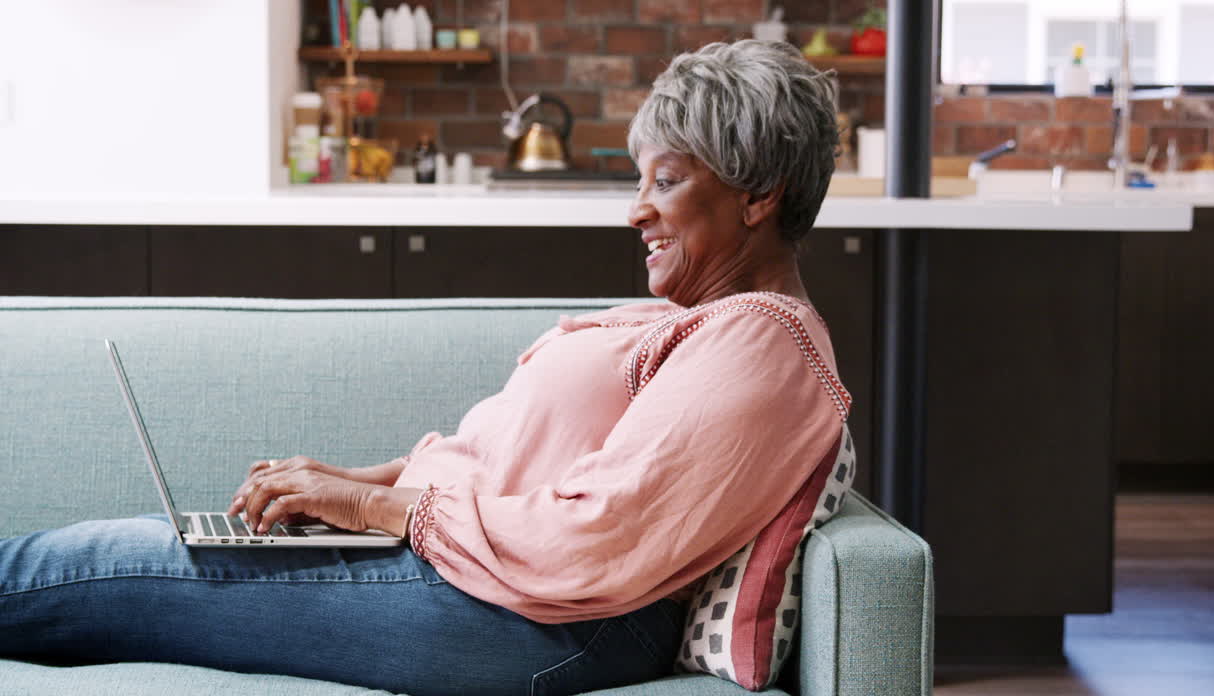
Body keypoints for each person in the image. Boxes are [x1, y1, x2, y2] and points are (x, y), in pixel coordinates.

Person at [0, 39, 848, 696]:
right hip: (487, 581)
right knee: (122, 557)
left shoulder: (763, 343)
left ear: (757, 192)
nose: (635, 211)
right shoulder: (704, 323)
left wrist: (376, 505)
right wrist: (370, 483)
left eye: (665, 181)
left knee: (110, 566)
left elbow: (598, 534)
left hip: (530, 618)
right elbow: (540, 463)